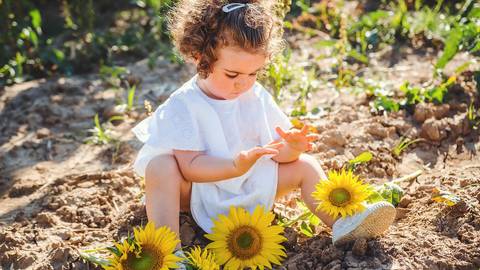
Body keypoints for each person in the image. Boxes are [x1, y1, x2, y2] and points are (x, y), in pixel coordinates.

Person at [132, 0, 396, 262]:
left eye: (253, 74)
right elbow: (190, 167)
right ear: (200, 57)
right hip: (200, 190)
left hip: (251, 183)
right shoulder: (184, 104)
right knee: (161, 166)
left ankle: (343, 222)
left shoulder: (255, 96)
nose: (243, 84)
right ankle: (168, 253)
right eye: (232, 74)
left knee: (306, 165)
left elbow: (274, 153)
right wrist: (235, 165)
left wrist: (291, 148)